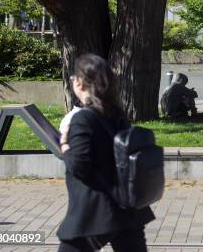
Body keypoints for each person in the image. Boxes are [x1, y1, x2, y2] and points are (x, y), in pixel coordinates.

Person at [57, 54, 154, 252]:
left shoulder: (83, 119)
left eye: (74, 77)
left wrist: (65, 146)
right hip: (127, 208)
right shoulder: (117, 114)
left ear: (82, 83)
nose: (73, 81)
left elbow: (79, 166)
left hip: (95, 212)